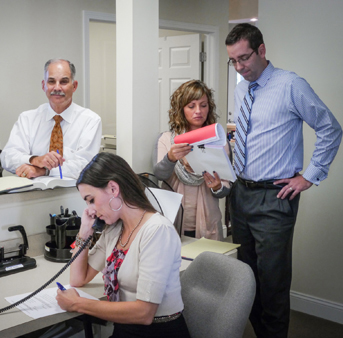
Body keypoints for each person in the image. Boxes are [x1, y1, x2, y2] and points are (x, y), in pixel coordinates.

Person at [225, 23, 342, 338]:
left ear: (262, 51)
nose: (239, 66)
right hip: (240, 194)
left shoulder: (290, 85)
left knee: (273, 282)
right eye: (233, 60)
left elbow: (331, 128)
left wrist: (308, 177)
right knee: (245, 279)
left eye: (244, 58)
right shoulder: (240, 89)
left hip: (274, 198)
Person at [56, 152, 190, 338]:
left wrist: (77, 304)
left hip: (158, 333)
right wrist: (84, 231)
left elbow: (145, 312)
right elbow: (78, 278)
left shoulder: (157, 231)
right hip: (125, 330)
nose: (90, 209)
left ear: (113, 188)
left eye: (91, 199)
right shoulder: (114, 229)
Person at [153, 80, 232, 240]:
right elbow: (159, 175)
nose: (198, 111)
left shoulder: (219, 141)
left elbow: (226, 186)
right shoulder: (167, 139)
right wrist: (171, 158)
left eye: (203, 105)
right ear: (181, 109)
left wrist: (217, 187)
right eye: (191, 106)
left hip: (208, 221)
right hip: (173, 220)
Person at [1, 59, 102, 179]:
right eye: (51, 81)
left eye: (64, 82)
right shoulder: (27, 119)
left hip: (74, 194)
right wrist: (34, 160)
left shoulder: (90, 120)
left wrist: (44, 171)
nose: (57, 87)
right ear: (44, 86)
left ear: (74, 86)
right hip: (30, 193)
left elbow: (86, 165)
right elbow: (7, 157)